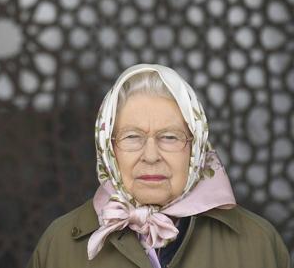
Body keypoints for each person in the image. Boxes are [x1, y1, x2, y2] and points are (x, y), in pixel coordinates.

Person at [28, 64, 290, 268]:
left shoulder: (257, 244)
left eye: (169, 137)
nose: (151, 156)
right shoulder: (60, 245)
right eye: (132, 137)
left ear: (195, 148)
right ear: (109, 149)